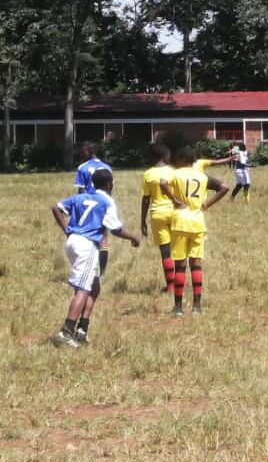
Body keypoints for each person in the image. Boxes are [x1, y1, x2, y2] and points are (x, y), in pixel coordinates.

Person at [51, 169, 140, 348]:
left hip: (72, 242)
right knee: (82, 289)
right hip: (88, 245)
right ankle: (66, 332)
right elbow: (115, 229)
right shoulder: (106, 201)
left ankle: (82, 328)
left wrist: (67, 229)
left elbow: (56, 207)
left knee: (94, 286)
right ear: (109, 184)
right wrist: (133, 237)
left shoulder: (80, 197)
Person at [162, 146, 229, 317]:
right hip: (198, 221)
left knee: (180, 265)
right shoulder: (201, 175)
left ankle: (178, 307)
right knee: (196, 264)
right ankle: (197, 306)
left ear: (182, 159)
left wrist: (174, 200)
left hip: (180, 221)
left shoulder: (176, 174)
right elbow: (224, 187)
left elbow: (162, 183)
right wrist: (206, 204)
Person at [140, 143, 176, 294]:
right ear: (165, 156)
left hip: (157, 214)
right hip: (175, 212)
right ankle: (181, 282)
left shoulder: (148, 174)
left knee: (165, 251)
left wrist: (142, 220)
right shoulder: (174, 172)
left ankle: (170, 286)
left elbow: (146, 199)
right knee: (179, 250)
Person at [74, 142, 114, 274]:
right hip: (103, 204)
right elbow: (110, 189)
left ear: (88, 151)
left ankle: (87, 269)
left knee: (86, 237)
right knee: (103, 238)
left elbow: (81, 190)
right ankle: (101, 273)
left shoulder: (82, 168)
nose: (81, 153)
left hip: (88, 205)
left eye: (82, 150)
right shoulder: (107, 167)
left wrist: (78, 209)